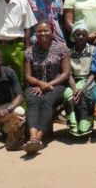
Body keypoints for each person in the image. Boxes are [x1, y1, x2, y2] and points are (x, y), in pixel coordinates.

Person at [22, 21, 71, 153]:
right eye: (39, 31)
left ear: (52, 32)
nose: (42, 33)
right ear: (35, 34)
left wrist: (48, 85)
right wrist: (40, 84)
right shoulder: (29, 51)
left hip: (57, 85)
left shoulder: (62, 48)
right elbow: (28, 76)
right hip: (35, 85)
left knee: (46, 101)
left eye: (46, 30)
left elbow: (66, 73)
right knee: (33, 101)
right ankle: (32, 137)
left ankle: (39, 137)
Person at [63, 21, 96, 137]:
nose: (81, 37)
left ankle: (85, 125)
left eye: (84, 34)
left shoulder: (94, 50)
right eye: (78, 34)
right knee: (68, 94)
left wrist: (81, 89)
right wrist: (74, 89)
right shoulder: (68, 52)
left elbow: (94, 73)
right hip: (73, 82)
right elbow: (68, 74)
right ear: (73, 36)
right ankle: (74, 126)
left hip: (90, 82)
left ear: (87, 36)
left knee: (84, 94)